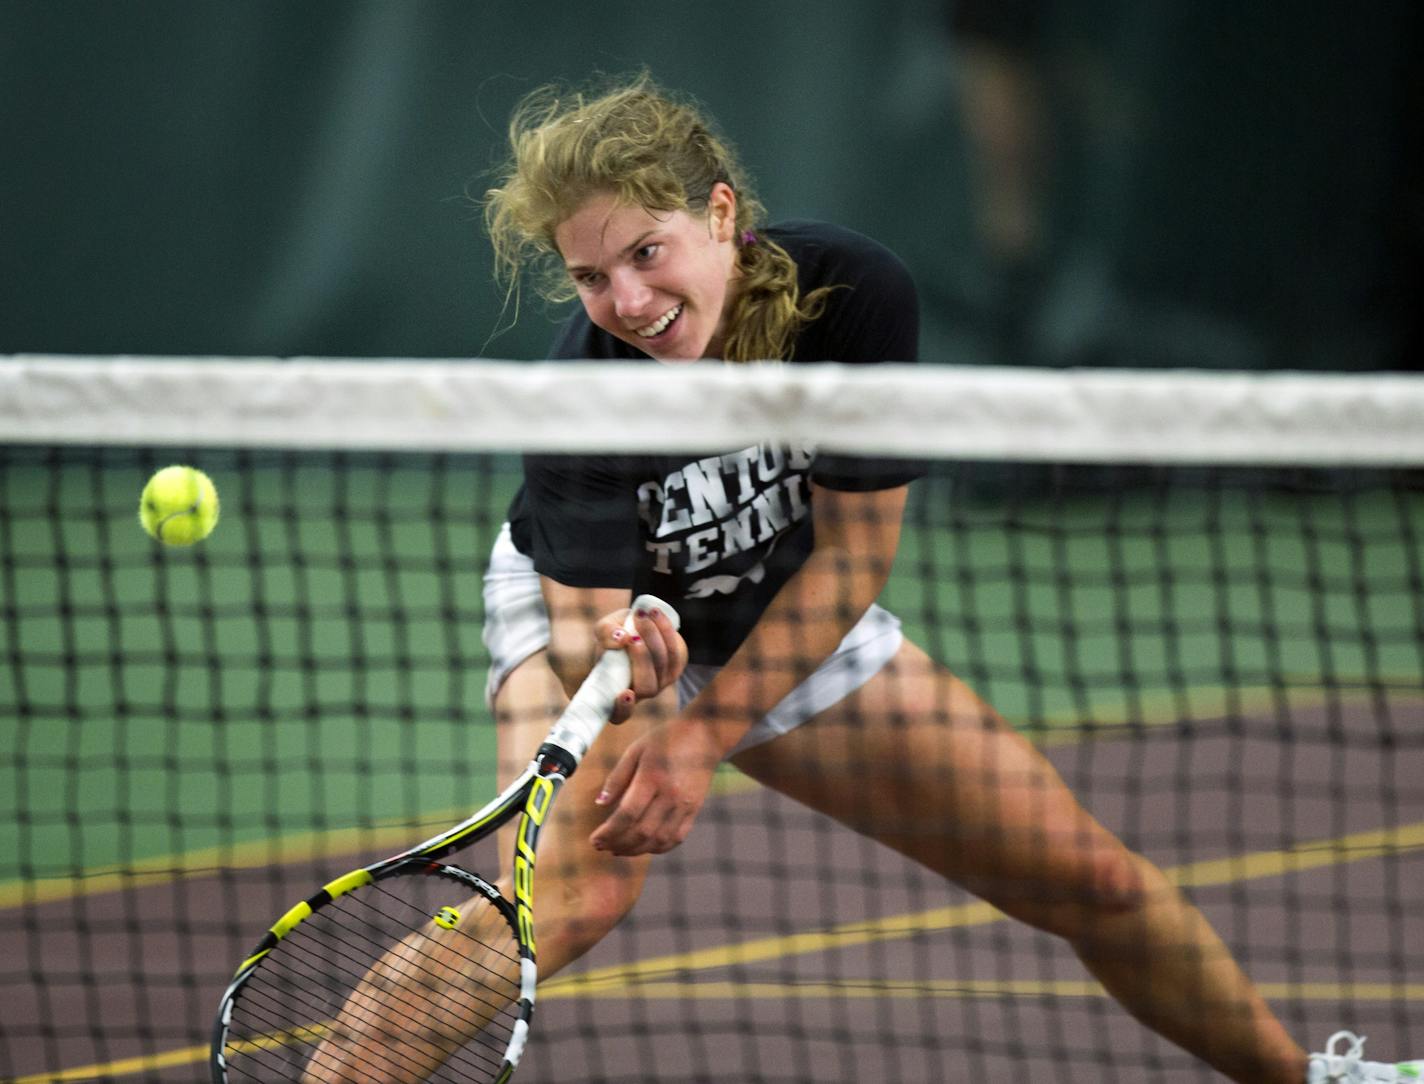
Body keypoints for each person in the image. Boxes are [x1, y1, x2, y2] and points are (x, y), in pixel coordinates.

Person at [309, 72, 1418, 1084]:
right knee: (568, 895)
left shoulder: (851, 295)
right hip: (605, 626)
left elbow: (851, 555)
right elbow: (575, 624)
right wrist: (634, 671)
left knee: (1092, 877)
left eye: (647, 252)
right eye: (592, 276)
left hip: (784, 602)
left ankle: (1305, 1081)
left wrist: (699, 738)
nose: (628, 301)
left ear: (720, 213)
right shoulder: (584, 398)